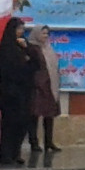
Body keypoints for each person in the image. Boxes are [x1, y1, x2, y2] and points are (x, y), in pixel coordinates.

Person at [0, 19, 36, 165]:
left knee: (22, 124)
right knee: (10, 125)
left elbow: (36, 65)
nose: (21, 32)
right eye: (18, 29)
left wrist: (27, 50)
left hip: (24, 92)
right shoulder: (6, 48)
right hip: (10, 94)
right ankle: (6, 154)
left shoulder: (23, 46)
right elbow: (10, 70)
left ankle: (15, 152)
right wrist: (25, 66)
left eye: (22, 29)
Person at [26, 24, 62, 155]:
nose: (45, 36)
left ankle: (49, 142)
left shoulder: (49, 48)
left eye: (47, 33)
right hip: (36, 86)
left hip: (50, 85)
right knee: (34, 114)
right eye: (43, 33)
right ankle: (34, 142)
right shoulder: (31, 48)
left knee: (49, 114)